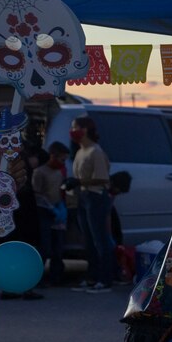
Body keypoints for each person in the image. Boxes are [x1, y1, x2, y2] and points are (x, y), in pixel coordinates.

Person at [69, 116, 113, 293]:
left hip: (96, 197)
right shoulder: (81, 151)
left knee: (99, 239)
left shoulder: (96, 151)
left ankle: (105, 279)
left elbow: (103, 178)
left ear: (85, 129)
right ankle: (92, 277)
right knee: (88, 240)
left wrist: (80, 182)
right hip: (83, 197)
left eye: (75, 127)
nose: (73, 131)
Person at [32, 142, 70, 287]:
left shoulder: (59, 172)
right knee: (45, 248)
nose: (63, 162)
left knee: (58, 248)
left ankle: (56, 277)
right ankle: (37, 278)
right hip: (44, 213)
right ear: (53, 156)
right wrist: (51, 208)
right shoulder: (40, 172)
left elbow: (60, 191)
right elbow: (38, 195)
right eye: (61, 159)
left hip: (58, 212)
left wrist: (61, 207)